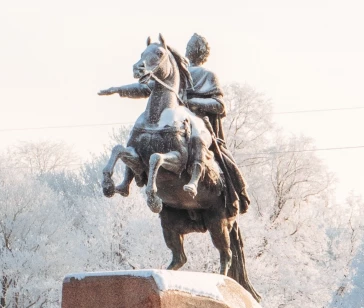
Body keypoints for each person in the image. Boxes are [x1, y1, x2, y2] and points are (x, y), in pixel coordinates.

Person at [98, 33, 250, 216]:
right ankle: (128, 179)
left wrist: (192, 103)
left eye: (193, 48)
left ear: (200, 53)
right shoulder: (174, 69)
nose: (191, 51)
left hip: (196, 120)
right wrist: (119, 90)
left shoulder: (207, 75)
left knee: (198, 137)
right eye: (189, 48)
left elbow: (219, 105)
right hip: (173, 115)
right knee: (139, 132)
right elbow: (146, 88)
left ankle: (195, 178)